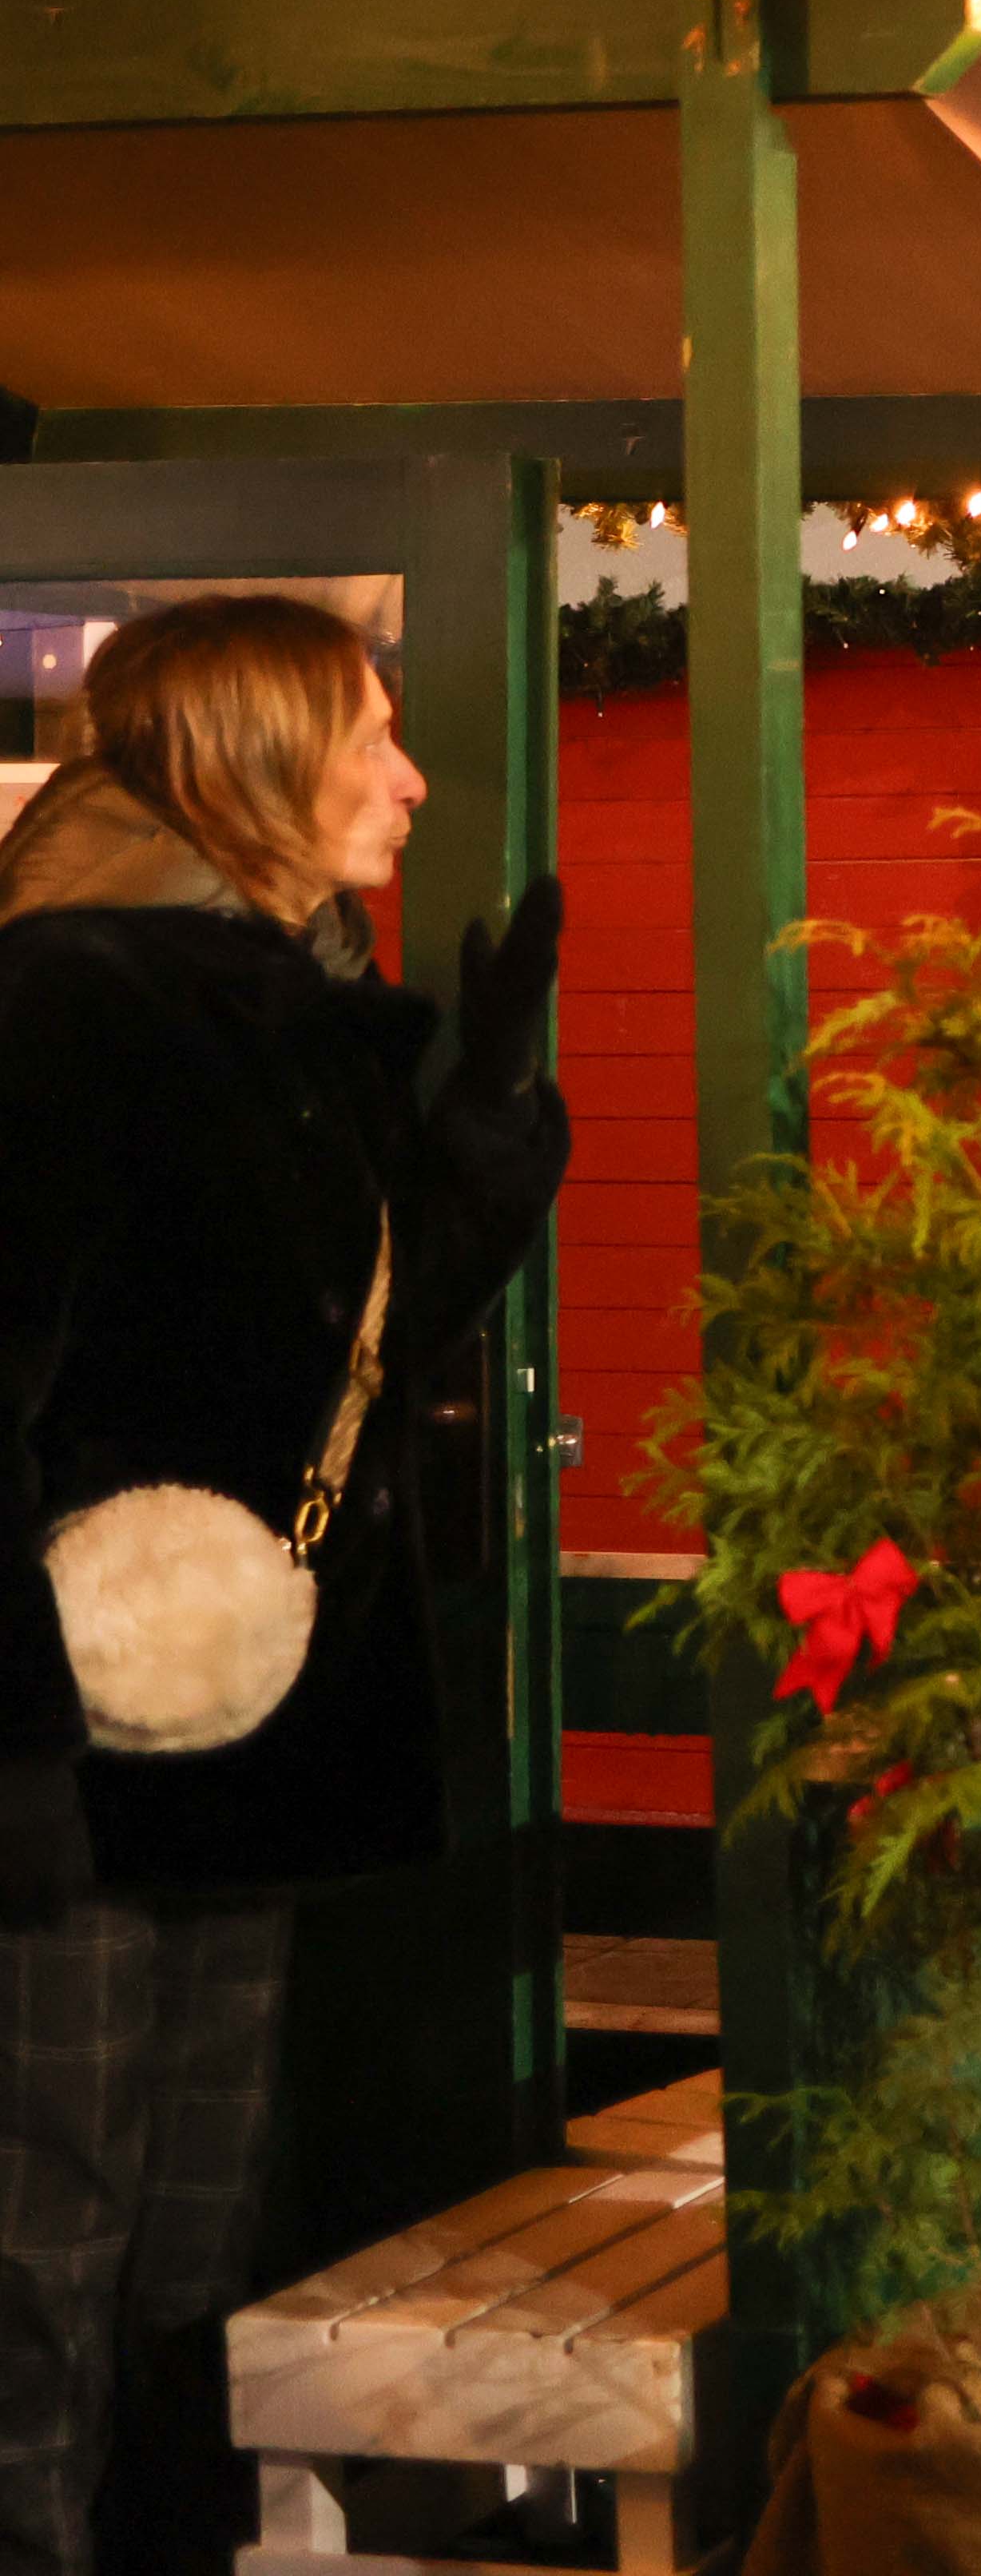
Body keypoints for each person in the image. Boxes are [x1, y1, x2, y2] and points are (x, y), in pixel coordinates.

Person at [0, 597, 567, 2576]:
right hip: (67, 1767)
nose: (409, 780)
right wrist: (18, 1750)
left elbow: (367, 1341)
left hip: (241, 1742)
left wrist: (485, 1114)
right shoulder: (64, 1006)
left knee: (190, 2241)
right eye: (369, 739)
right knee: (38, 2243)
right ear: (249, 763)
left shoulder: (292, 1004)